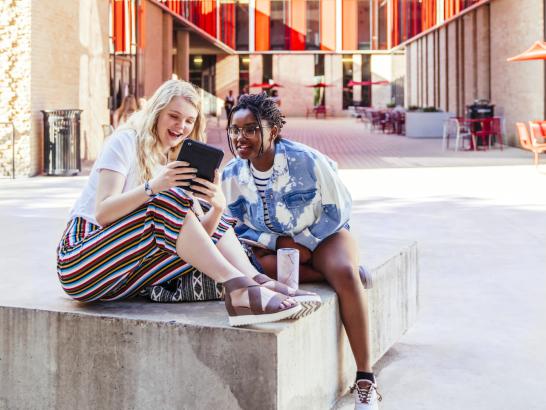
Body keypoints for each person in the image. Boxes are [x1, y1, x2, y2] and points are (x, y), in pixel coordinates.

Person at [56, 79, 323, 327]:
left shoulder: (171, 164)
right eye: (173, 116)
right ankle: (240, 289)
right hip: (82, 262)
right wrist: (154, 187)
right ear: (156, 113)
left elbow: (195, 242)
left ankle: (256, 281)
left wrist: (217, 207)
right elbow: (103, 213)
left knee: (201, 208)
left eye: (188, 121)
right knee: (169, 198)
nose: (181, 126)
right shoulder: (125, 141)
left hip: (124, 277)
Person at [221, 93, 381, 409]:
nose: (241, 137)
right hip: (278, 246)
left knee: (345, 273)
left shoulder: (307, 160)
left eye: (251, 129)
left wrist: (305, 244)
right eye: (235, 130)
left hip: (325, 234)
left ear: (273, 131)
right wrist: (276, 243)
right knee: (256, 270)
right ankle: (328, 274)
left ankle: (366, 381)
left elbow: (339, 209)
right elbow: (236, 224)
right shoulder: (232, 174)